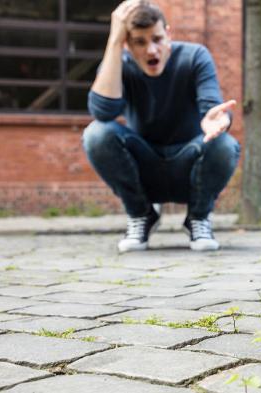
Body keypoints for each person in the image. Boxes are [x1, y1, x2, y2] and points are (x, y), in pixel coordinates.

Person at [83, 0, 239, 252]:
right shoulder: (119, 63)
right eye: (140, 42)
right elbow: (103, 112)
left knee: (224, 144)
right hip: (145, 166)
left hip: (188, 164)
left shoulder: (195, 56)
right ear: (127, 44)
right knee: (96, 134)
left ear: (168, 33)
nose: (151, 50)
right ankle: (141, 215)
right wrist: (114, 41)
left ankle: (198, 218)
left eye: (156, 39)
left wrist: (220, 120)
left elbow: (213, 109)